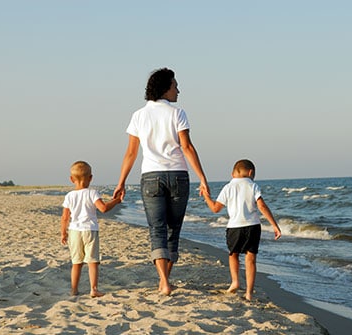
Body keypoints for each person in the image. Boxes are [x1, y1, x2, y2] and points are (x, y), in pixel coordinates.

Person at [113, 68, 209, 296]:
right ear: (165, 88)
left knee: (157, 230)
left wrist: (121, 182)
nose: (178, 90)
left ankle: (163, 282)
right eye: (175, 86)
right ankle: (166, 280)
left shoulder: (138, 115)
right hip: (178, 175)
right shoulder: (178, 113)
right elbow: (187, 147)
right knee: (172, 230)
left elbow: (130, 153)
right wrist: (202, 179)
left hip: (150, 176)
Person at [201, 159, 281, 300]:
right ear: (250, 172)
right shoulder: (253, 185)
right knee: (251, 259)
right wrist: (274, 225)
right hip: (253, 226)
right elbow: (261, 206)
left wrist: (206, 196)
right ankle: (249, 293)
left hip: (234, 227)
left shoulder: (228, 187)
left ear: (233, 174)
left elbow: (215, 208)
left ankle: (235, 281)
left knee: (233, 254)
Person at [60, 161, 123, 297]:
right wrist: (116, 201)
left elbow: (65, 217)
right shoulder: (92, 193)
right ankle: (93, 289)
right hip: (90, 230)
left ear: (71, 179)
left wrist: (63, 233)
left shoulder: (69, 196)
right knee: (92, 261)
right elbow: (103, 208)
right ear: (90, 178)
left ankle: (74, 290)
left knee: (76, 262)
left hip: (74, 231)